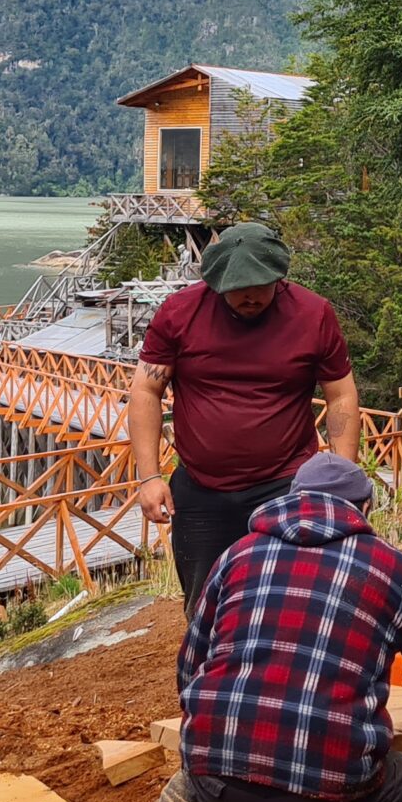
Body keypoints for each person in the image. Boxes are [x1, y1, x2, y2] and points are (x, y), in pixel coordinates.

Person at [120, 452, 402, 802]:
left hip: (214, 777)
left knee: (206, 775)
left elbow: (190, 667)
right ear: (364, 508)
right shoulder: (393, 568)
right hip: (328, 790)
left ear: (294, 498)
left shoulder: (237, 554)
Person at [129, 222, 361, 609]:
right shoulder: (180, 313)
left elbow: (340, 394)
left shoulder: (313, 314)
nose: (249, 296)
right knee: (206, 605)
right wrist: (149, 476)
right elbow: (145, 389)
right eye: (237, 288)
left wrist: (342, 476)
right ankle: (207, 669)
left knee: (295, 597)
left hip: (287, 484)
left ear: (278, 276)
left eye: (260, 286)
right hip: (202, 490)